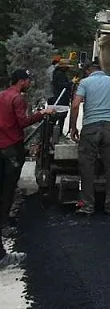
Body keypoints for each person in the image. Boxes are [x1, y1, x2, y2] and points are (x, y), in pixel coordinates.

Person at [0, 70, 55, 269]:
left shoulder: (3, 95)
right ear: (21, 81)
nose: (30, 82)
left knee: (3, 186)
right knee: (9, 186)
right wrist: (43, 113)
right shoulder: (18, 98)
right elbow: (22, 122)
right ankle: (4, 223)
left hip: (1, 145)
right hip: (12, 147)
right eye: (28, 80)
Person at [70, 60, 110, 215]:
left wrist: (73, 127)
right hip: (109, 127)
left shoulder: (85, 83)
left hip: (90, 128)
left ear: (87, 71)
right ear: (101, 69)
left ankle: (88, 206)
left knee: (87, 167)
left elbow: (75, 105)